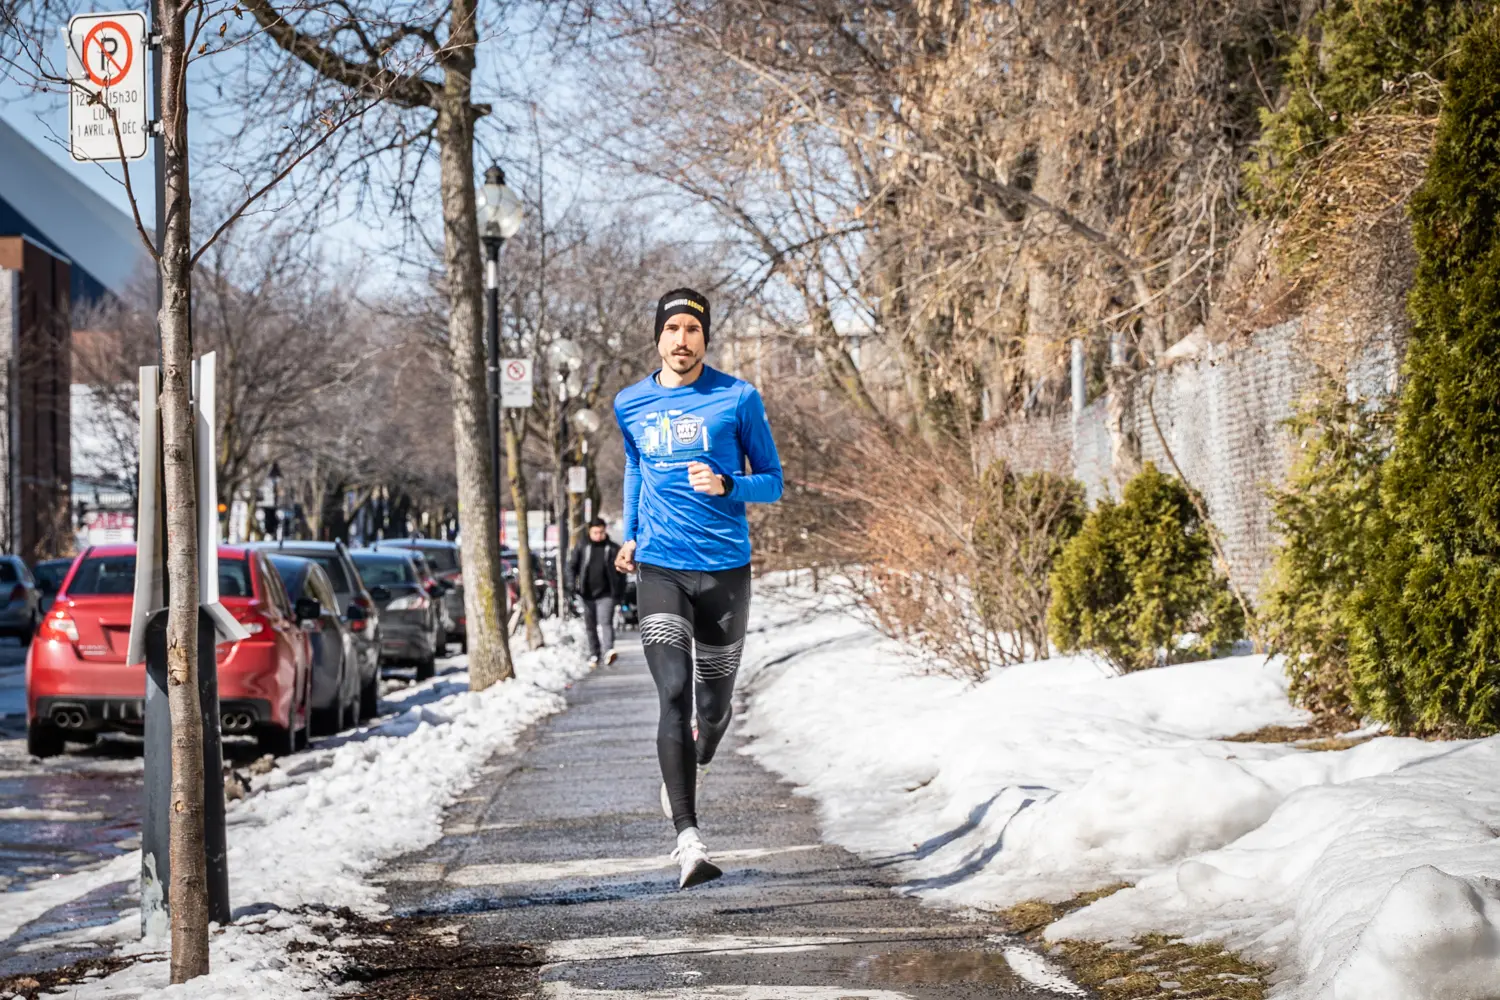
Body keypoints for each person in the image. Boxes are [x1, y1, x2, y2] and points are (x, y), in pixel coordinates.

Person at [614, 287, 783, 889]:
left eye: (692, 329)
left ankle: (700, 750)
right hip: (660, 566)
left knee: (710, 710)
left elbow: (773, 482)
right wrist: (629, 533)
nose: (681, 340)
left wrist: (728, 486)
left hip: (724, 571)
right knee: (673, 694)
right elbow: (635, 466)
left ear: (704, 337)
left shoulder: (737, 398)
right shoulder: (630, 403)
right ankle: (689, 840)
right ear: (657, 337)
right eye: (671, 329)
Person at [568, 517, 625, 667]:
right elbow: (572, 566)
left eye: (601, 532)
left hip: (607, 593)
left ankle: (608, 651)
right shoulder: (582, 546)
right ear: (590, 532)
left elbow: (621, 573)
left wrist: (619, 593)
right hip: (586, 593)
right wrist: (571, 584)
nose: (599, 535)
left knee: (605, 622)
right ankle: (595, 654)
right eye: (595, 532)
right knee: (590, 625)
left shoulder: (613, 548)